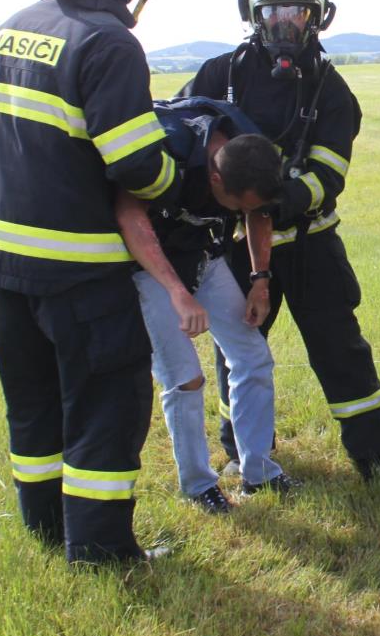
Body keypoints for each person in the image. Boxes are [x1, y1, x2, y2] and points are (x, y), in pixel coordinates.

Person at [0, 0, 184, 565]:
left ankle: (42, 525)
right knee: (106, 404)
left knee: (34, 406)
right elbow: (137, 165)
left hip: (4, 268)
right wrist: (184, 175)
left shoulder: (14, 27)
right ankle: (99, 549)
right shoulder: (109, 43)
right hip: (78, 273)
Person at [185, 0, 380, 481]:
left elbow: (330, 171)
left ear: (317, 18)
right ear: (252, 15)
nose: (284, 22)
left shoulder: (332, 90)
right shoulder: (219, 76)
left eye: (297, 11)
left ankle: (373, 458)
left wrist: (274, 203)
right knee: (237, 352)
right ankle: (242, 452)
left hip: (310, 243)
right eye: (273, 10)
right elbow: (189, 149)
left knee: (339, 346)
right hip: (235, 247)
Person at [115, 103, 300, 512]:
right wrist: (178, 293)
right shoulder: (168, 153)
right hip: (151, 264)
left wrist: (260, 279)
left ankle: (259, 471)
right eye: (237, 206)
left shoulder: (253, 153)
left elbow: (259, 211)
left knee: (252, 355)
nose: (243, 214)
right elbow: (129, 216)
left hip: (204, 254)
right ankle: (199, 486)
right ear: (214, 178)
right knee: (185, 378)